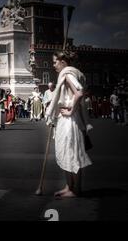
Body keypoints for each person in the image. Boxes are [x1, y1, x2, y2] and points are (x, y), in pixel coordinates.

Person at [45, 50, 92, 198]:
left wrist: (71, 111)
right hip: (66, 119)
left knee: (71, 152)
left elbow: (79, 92)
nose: (54, 65)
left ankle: (75, 189)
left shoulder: (67, 74)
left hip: (70, 120)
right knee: (66, 152)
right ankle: (69, 186)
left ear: (63, 62)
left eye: (55, 62)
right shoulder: (68, 73)